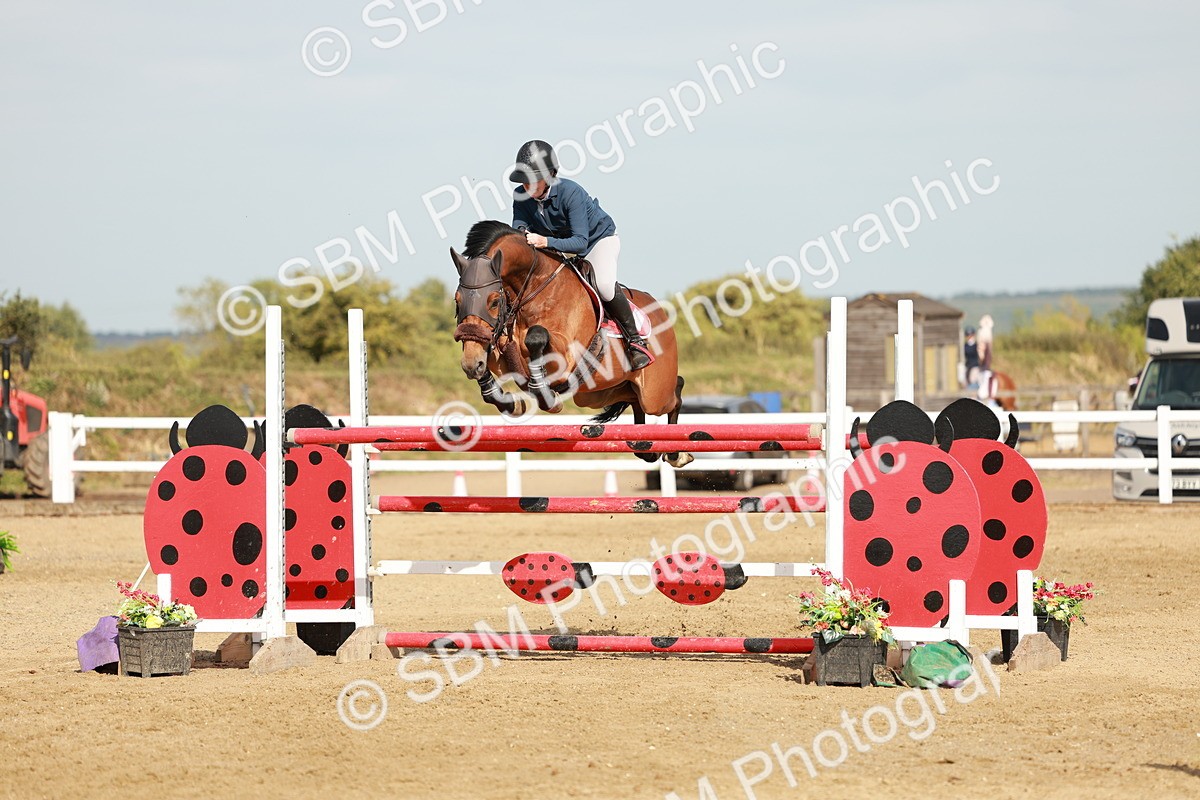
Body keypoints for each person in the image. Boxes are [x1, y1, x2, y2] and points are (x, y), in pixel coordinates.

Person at [508, 139, 652, 371]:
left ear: (550, 175)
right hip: (556, 246)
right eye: (524, 181)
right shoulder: (521, 195)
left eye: (533, 180)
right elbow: (519, 225)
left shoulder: (570, 192)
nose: (527, 186)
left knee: (604, 285)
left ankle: (636, 342)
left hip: (596, 242)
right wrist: (524, 233)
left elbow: (579, 242)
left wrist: (544, 241)